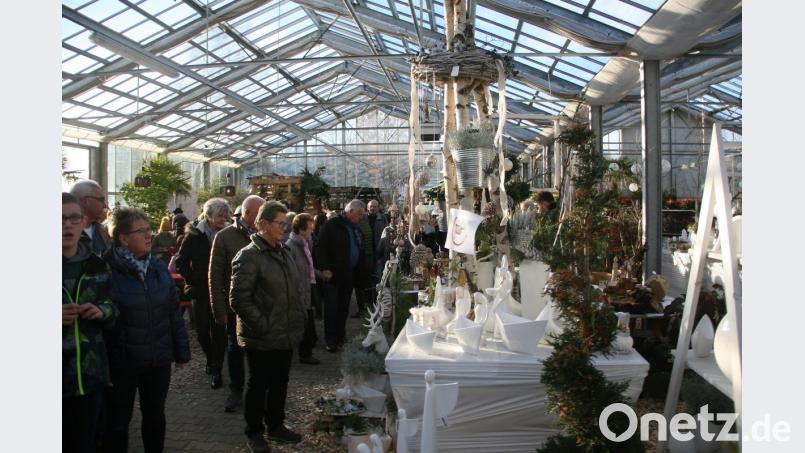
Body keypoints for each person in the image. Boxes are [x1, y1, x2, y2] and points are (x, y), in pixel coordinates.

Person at [102, 207, 190, 453]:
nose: (149, 235)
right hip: (122, 363)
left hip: (157, 359)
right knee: (118, 423)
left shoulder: (157, 266)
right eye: (141, 231)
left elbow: (173, 311)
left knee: (155, 417)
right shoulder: (105, 269)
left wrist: (182, 352)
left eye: (149, 229)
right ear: (123, 237)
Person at [230, 201, 306, 452]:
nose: (285, 227)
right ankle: (254, 432)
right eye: (280, 223)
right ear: (263, 224)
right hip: (261, 336)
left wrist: (297, 318)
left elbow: (292, 290)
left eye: (286, 223)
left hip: (285, 332)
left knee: (280, 381)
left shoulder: (283, 252)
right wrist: (262, 325)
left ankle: (276, 425)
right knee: (259, 384)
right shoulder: (250, 256)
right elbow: (239, 298)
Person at [62, 193, 118, 453]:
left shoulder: (96, 264)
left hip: (90, 376)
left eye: (73, 218)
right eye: (59, 219)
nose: (67, 225)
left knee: (84, 443)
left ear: (83, 221)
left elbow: (112, 306)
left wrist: (101, 311)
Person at [208, 195, 266, 413]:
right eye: (261, 213)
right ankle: (235, 388)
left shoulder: (264, 235)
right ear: (248, 213)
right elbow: (214, 276)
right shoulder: (224, 237)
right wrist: (218, 309)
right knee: (235, 348)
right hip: (235, 306)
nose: (264, 218)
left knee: (259, 347)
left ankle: (258, 389)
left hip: (261, 304)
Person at [176, 198, 231, 389]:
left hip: (222, 289)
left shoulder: (227, 234)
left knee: (219, 330)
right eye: (219, 216)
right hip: (200, 290)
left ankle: (216, 367)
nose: (222, 219)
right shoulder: (194, 235)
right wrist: (192, 279)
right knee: (201, 331)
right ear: (208, 216)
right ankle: (210, 358)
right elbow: (181, 261)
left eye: (225, 216)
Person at [318, 199, 366, 352]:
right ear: (350, 211)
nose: (361, 217)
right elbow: (320, 248)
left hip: (348, 275)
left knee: (343, 308)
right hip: (333, 276)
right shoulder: (332, 225)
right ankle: (331, 340)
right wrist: (324, 268)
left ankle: (340, 336)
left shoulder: (355, 228)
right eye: (359, 214)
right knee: (332, 309)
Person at [286, 213, 331, 365]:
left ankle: (306, 352)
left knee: (309, 322)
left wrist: (320, 274)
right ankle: (304, 354)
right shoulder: (291, 247)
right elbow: (291, 273)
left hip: (309, 287)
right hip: (300, 291)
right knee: (304, 325)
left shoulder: (306, 243)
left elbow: (309, 268)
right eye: (310, 228)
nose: (312, 230)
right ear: (301, 229)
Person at [70, 180, 112, 255]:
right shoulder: (67, 232)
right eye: (101, 200)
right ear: (85, 201)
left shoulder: (102, 231)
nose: (105, 205)